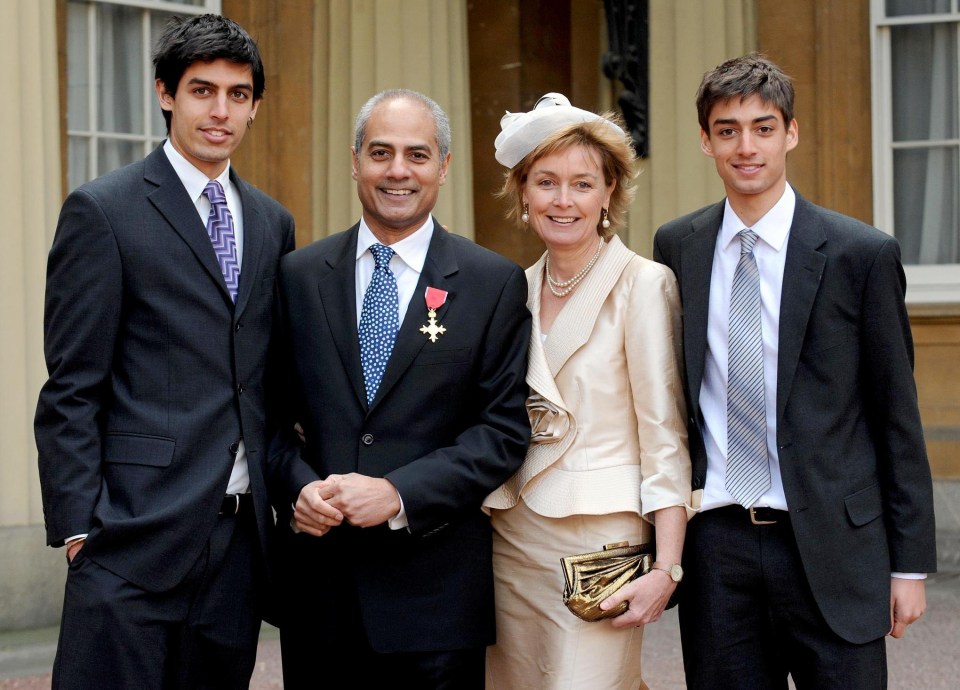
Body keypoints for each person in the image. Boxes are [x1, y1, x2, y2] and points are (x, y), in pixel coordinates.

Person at [653, 53, 938, 689]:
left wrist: (910, 566)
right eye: (727, 130)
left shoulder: (860, 253)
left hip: (835, 546)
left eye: (763, 127)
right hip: (719, 546)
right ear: (705, 140)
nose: (746, 146)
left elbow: (897, 414)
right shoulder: (678, 247)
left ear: (792, 133)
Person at [34, 14, 295, 689]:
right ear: (165, 93)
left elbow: (266, 375)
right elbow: (72, 384)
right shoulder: (104, 211)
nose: (220, 111)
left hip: (238, 544)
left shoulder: (271, 222)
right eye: (202, 90)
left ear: (255, 107)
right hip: (130, 537)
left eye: (238, 95)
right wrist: (78, 532)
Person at [267, 88, 531, 689]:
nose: (397, 171)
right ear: (355, 160)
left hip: (435, 602)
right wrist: (299, 489)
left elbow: (503, 431)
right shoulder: (298, 276)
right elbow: (268, 417)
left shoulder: (492, 282)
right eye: (381, 152)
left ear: (443, 166)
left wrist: (397, 493)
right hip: (320, 599)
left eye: (417, 154)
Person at [483, 93, 693, 689]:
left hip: (599, 545)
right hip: (511, 536)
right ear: (523, 193)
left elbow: (665, 435)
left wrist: (669, 566)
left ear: (608, 195)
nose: (563, 200)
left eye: (582, 184)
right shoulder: (510, 289)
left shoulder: (643, 285)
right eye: (546, 182)